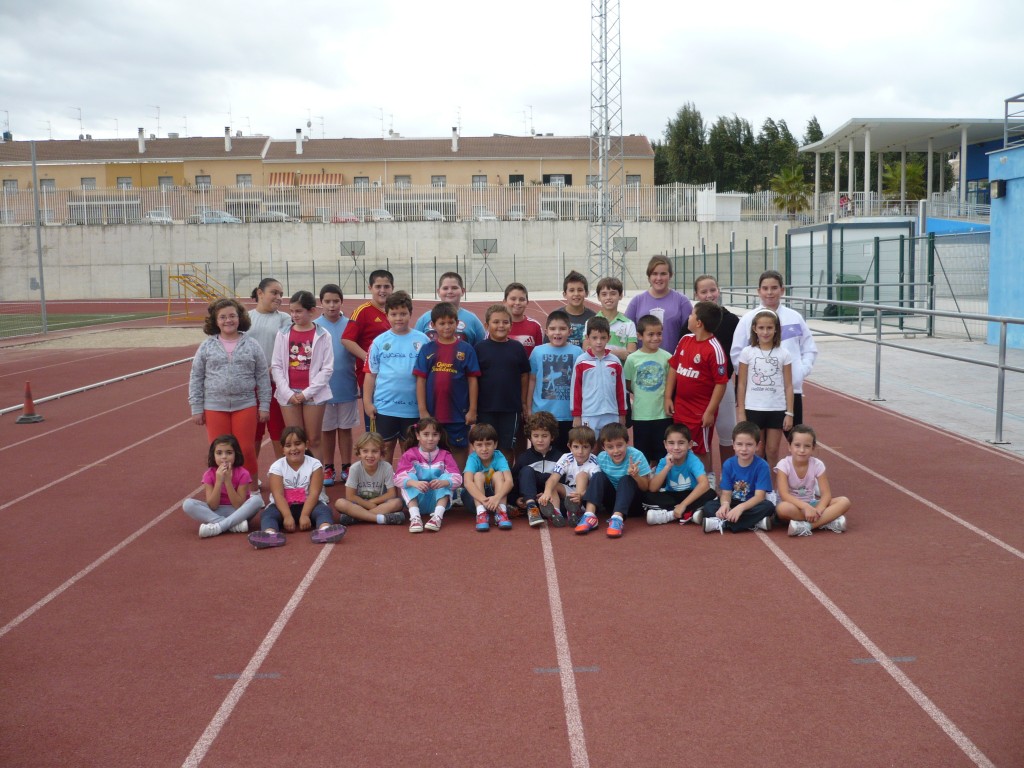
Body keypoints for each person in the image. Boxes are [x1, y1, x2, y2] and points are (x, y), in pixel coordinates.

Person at [188, 298, 271, 484]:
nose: (228, 320)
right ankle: (223, 491)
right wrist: (196, 407)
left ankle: (252, 491)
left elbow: (262, 377)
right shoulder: (207, 346)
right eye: (223, 317)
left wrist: (264, 405)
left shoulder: (252, 344)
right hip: (214, 406)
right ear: (215, 321)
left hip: (245, 405)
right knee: (220, 452)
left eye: (232, 316)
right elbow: (196, 377)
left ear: (240, 318)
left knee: (246, 450)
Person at [730, 270, 817, 440]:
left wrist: (801, 370)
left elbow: (809, 347)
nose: (769, 292)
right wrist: (752, 377)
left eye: (774, 288)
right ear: (759, 291)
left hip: (790, 390)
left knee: (796, 439)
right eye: (765, 288)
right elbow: (737, 352)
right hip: (759, 394)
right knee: (758, 444)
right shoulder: (748, 319)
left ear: (782, 290)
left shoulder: (795, 317)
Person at [247, 426, 347, 549]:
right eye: (288, 445)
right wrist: (287, 516)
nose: (293, 449)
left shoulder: (315, 465)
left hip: (309, 505)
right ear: (282, 449)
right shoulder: (277, 467)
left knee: (324, 511)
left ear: (306, 445)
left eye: (298, 444)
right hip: (283, 506)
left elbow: (314, 493)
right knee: (268, 514)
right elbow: (278, 495)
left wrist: (305, 515)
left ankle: (325, 529)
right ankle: (270, 534)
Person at [363, 291, 429, 463]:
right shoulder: (379, 342)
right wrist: (367, 403)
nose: (398, 318)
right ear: (387, 315)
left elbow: (428, 376)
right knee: (384, 451)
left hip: (412, 409)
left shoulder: (423, 341)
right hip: (385, 407)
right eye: (393, 314)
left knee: (411, 453)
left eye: (403, 313)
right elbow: (370, 375)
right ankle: (386, 487)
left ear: (410, 314)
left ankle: (408, 487)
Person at [664, 301, 728, 475]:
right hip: (681, 407)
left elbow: (721, 383)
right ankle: (684, 483)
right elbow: (674, 367)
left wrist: (709, 411)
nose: (688, 317)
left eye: (692, 314)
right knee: (679, 446)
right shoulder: (685, 340)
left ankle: (706, 481)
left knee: (700, 450)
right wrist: (668, 397)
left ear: (699, 322)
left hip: (701, 412)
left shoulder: (714, 349)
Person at [414, 301, 481, 467]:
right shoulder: (427, 349)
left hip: (458, 414)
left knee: (459, 449)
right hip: (433, 414)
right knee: (432, 451)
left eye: (451, 323)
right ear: (433, 325)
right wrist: (423, 410)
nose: (447, 327)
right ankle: (435, 485)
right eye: (442, 323)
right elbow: (421, 380)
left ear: (457, 324)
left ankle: (458, 486)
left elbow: (473, 380)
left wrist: (472, 410)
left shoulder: (466, 349)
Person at [271, 290, 334, 462]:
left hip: (313, 394)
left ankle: (317, 483)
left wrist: (306, 393)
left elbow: (327, 369)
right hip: (288, 394)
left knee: (313, 439)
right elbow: (276, 365)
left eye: (298, 311)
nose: (294, 315)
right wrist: (288, 393)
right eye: (292, 311)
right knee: (294, 441)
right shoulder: (283, 333)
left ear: (311, 311)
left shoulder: (323, 335)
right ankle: (297, 482)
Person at [693, 274, 741, 481]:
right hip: (698, 387)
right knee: (701, 434)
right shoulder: (692, 322)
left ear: (719, 291)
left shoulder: (732, 321)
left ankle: (729, 477)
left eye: (712, 290)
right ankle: (708, 477)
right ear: (696, 294)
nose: (709, 295)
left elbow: (737, 356)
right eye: (703, 292)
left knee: (727, 432)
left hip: (723, 385)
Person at [736, 309, 794, 477]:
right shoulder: (747, 352)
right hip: (753, 408)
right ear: (754, 329)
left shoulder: (784, 353)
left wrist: (789, 412)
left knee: (772, 451)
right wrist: (741, 411)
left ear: (776, 329)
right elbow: (741, 384)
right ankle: (754, 487)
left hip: (776, 408)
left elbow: (788, 385)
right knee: (757, 450)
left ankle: (772, 490)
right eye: (761, 328)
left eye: (769, 328)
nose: (765, 332)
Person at [694, 421, 775, 534]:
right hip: (733, 502)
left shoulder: (762, 466)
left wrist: (741, 508)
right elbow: (726, 493)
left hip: (751, 504)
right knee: (709, 506)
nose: (744, 449)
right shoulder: (728, 464)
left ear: (757, 446)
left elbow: (759, 497)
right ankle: (754, 522)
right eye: (739, 444)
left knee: (768, 507)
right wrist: (725, 505)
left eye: (749, 444)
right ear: (733, 444)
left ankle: (722, 523)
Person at [574, 422, 652, 538]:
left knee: (626, 479)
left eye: (619, 445)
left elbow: (646, 487)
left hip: (633, 505)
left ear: (627, 443)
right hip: (611, 504)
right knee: (598, 476)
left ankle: (617, 519)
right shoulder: (601, 457)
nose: (616, 451)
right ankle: (589, 515)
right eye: (610, 447)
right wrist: (583, 494)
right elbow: (599, 484)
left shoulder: (636, 456)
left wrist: (636, 476)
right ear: (604, 447)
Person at [314, 284, 358, 486]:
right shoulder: (314, 326)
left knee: (345, 429)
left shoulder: (351, 324)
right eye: (327, 301)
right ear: (321, 302)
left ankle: (347, 466)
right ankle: (328, 467)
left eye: (336, 301)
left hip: (346, 385)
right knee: (327, 430)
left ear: (341, 302)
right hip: (323, 389)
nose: (332, 305)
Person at [475, 304, 531, 459]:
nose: (501, 326)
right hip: (485, 408)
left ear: (511, 325)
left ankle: (505, 480)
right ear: (487, 325)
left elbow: (524, 375)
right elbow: (473, 379)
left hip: (510, 408)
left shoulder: (517, 348)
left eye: (505, 322)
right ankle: (486, 481)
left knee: (507, 446)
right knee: (485, 445)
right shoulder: (479, 348)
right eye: (496, 322)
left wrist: (523, 403)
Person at [341, 269, 394, 428]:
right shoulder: (362, 311)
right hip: (371, 379)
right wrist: (370, 359)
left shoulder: (395, 312)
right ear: (370, 288)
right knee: (375, 426)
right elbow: (346, 339)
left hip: (393, 379)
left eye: (386, 286)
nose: (382, 290)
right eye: (378, 286)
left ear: (392, 288)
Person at [183, 434, 265, 538]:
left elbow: (238, 505)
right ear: (213, 455)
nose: (224, 457)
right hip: (217, 512)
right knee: (188, 504)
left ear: (236, 454)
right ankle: (230, 525)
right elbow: (212, 505)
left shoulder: (243, 473)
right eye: (219, 453)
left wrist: (227, 481)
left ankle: (218, 527)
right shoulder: (209, 474)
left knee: (256, 500)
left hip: (239, 512)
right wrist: (218, 481)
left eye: (229, 453)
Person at [776, 425, 851, 536]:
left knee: (844, 501)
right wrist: (805, 507)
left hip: (812, 505)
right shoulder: (783, 465)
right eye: (797, 445)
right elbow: (784, 495)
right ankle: (826, 520)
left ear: (813, 448)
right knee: (782, 508)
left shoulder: (817, 465)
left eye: (807, 446)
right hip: (793, 506)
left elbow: (826, 494)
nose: (802, 450)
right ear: (789, 446)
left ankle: (807, 526)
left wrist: (819, 509)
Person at [526, 310, 583, 454]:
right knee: (541, 452)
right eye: (552, 329)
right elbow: (532, 380)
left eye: (562, 329)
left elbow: (581, 384)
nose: (557, 333)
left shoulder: (577, 352)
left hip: (567, 415)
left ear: (569, 331)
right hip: (542, 413)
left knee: (567, 453)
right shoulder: (537, 352)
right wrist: (528, 407)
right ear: (546, 331)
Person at [394, 417, 462, 533]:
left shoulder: (445, 455)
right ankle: (415, 518)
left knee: (446, 478)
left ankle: (437, 517)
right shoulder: (410, 454)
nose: (430, 439)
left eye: (434, 434)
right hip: (418, 500)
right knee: (408, 478)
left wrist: (444, 482)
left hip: (438, 501)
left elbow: (458, 478)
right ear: (418, 435)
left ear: (439, 436)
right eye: (426, 434)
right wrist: (414, 483)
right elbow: (397, 478)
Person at [248, 278, 291, 463]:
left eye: (281, 294)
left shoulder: (284, 319)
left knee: (279, 433)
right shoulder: (245, 318)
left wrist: (274, 368)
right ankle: (249, 478)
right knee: (252, 434)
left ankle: (283, 476)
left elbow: (289, 349)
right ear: (260, 293)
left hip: (276, 385)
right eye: (274, 292)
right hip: (250, 386)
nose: (279, 297)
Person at [642, 424, 717, 525]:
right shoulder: (664, 461)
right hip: (672, 496)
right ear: (665, 444)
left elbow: (704, 484)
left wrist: (683, 505)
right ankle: (689, 514)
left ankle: (670, 515)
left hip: (691, 495)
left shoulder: (692, 460)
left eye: (681, 443)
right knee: (647, 496)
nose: (676, 448)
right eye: (671, 443)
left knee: (712, 494)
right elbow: (653, 488)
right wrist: (667, 467)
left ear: (689, 444)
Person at [624, 315, 672, 466]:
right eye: (650, 334)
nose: (655, 338)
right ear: (640, 336)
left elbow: (670, 383)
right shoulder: (632, 359)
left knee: (662, 453)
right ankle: (645, 484)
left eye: (659, 334)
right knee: (643, 454)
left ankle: (661, 484)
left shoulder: (667, 357)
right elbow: (628, 383)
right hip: (641, 416)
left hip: (662, 415)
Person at [570, 316, 627, 437]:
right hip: (589, 414)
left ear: (609, 338)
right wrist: (576, 415)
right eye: (594, 338)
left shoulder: (615, 362)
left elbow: (621, 390)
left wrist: (622, 414)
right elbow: (576, 390)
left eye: (603, 338)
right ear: (587, 338)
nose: (599, 342)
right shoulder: (581, 361)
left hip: (611, 413)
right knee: (589, 449)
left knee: (611, 447)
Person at [333, 431, 406, 526]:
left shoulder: (387, 467)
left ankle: (357, 517)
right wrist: (367, 504)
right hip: (360, 505)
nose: (370, 455)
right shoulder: (355, 468)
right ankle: (381, 518)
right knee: (340, 503)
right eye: (365, 451)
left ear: (381, 453)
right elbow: (350, 496)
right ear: (359, 453)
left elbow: (392, 494)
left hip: (380, 504)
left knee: (398, 502)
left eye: (375, 451)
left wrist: (371, 502)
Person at [625, 255, 694, 352]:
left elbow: (691, 334)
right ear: (649, 277)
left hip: (672, 363)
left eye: (663, 274)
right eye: (654, 274)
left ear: (670, 275)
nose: (659, 278)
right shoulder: (636, 302)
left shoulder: (682, 301)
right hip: (643, 364)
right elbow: (627, 334)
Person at [511, 411, 563, 528]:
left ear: (552, 437)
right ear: (530, 437)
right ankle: (532, 509)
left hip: (551, 499)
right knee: (527, 470)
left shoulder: (560, 458)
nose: (540, 440)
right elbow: (514, 482)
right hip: (531, 499)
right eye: (536, 436)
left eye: (544, 436)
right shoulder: (524, 458)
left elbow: (564, 482)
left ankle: (556, 513)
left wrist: (548, 495)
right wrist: (516, 499)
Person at [539, 425, 599, 525]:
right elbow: (553, 478)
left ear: (592, 447)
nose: (580, 452)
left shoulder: (594, 462)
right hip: (569, 495)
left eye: (585, 447)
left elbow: (595, 487)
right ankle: (556, 513)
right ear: (569, 447)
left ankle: (575, 510)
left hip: (585, 497)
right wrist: (547, 493)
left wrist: (581, 495)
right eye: (576, 447)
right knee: (553, 485)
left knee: (582, 475)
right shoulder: (566, 458)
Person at [462, 423, 514, 531]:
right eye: (479, 445)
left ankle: (501, 513)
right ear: (473, 446)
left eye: (488, 444)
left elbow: (509, 481)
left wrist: (497, 497)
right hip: (475, 500)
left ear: (495, 445)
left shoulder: (499, 456)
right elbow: (467, 482)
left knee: (499, 474)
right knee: (477, 475)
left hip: (495, 501)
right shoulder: (473, 458)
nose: (484, 449)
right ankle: (481, 513)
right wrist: (484, 501)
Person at [414, 271, 486, 345]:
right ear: (438, 292)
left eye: (454, 288)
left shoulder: (472, 320)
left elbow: (482, 347)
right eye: (445, 288)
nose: (450, 291)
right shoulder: (424, 319)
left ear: (463, 291)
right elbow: (415, 344)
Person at [588, 276, 637, 362]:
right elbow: (587, 350)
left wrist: (601, 351)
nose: (608, 297)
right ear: (598, 297)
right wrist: (618, 353)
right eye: (604, 294)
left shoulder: (629, 324)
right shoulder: (589, 323)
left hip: (620, 373)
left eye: (613, 293)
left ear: (620, 296)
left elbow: (631, 355)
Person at [503, 282, 543, 356]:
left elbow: (540, 355)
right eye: (513, 299)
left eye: (521, 299)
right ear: (505, 302)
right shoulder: (497, 326)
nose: (517, 303)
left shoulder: (535, 326)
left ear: (527, 302)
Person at [561, 270, 597, 349]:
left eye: (580, 290)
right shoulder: (556, 316)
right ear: (564, 294)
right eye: (571, 290)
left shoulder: (594, 318)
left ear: (586, 293)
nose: (576, 294)